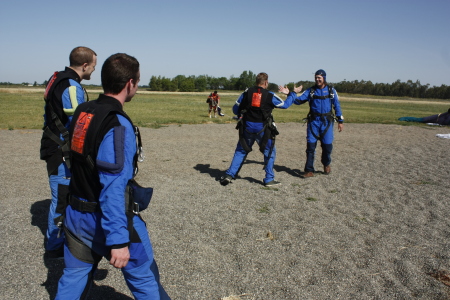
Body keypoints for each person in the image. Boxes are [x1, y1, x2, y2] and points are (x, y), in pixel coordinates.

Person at [55, 53, 170, 299]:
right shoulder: (116, 124)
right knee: (146, 281)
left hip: (75, 215)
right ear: (130, 83)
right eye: (138, 81)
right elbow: (113, 186)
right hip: (105, 219)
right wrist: (118, 240)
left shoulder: (83, 111)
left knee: (72, 280)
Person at [40, 46, 97, 258]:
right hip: (60, 152)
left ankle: (63, 240)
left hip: (54, 147)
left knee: (64, 195)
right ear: (84, 65)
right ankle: (55, 247)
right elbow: (78, 123)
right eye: (93, 66)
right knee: (62, 198)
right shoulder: (71, 87)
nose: (93, 70)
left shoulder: (56, 79)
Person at [220, 72, 297, 187]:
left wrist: (243, 113)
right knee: (270, 152)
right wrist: (293, 94)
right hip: (263, 128)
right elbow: (285, 105)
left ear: (256, 81)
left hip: (247, 127)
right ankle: (269, 179)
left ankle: (229, 175)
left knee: (241, 151)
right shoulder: (270, 95)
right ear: (266, 82)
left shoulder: (246, 93)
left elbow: (235, 109)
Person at [279, 69, 344, 178]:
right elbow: (298, 101)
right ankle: (309, 170)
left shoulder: (331, 90)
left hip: (327, 122)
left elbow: (336, 105)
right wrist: (290, 93)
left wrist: (340, 121)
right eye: (316, 77)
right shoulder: (311, 91)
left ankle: (326, 163)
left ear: (324, 78)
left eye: (319, 77)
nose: (317, 79)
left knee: (327, 147)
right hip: (313, 122)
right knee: (310, 148)